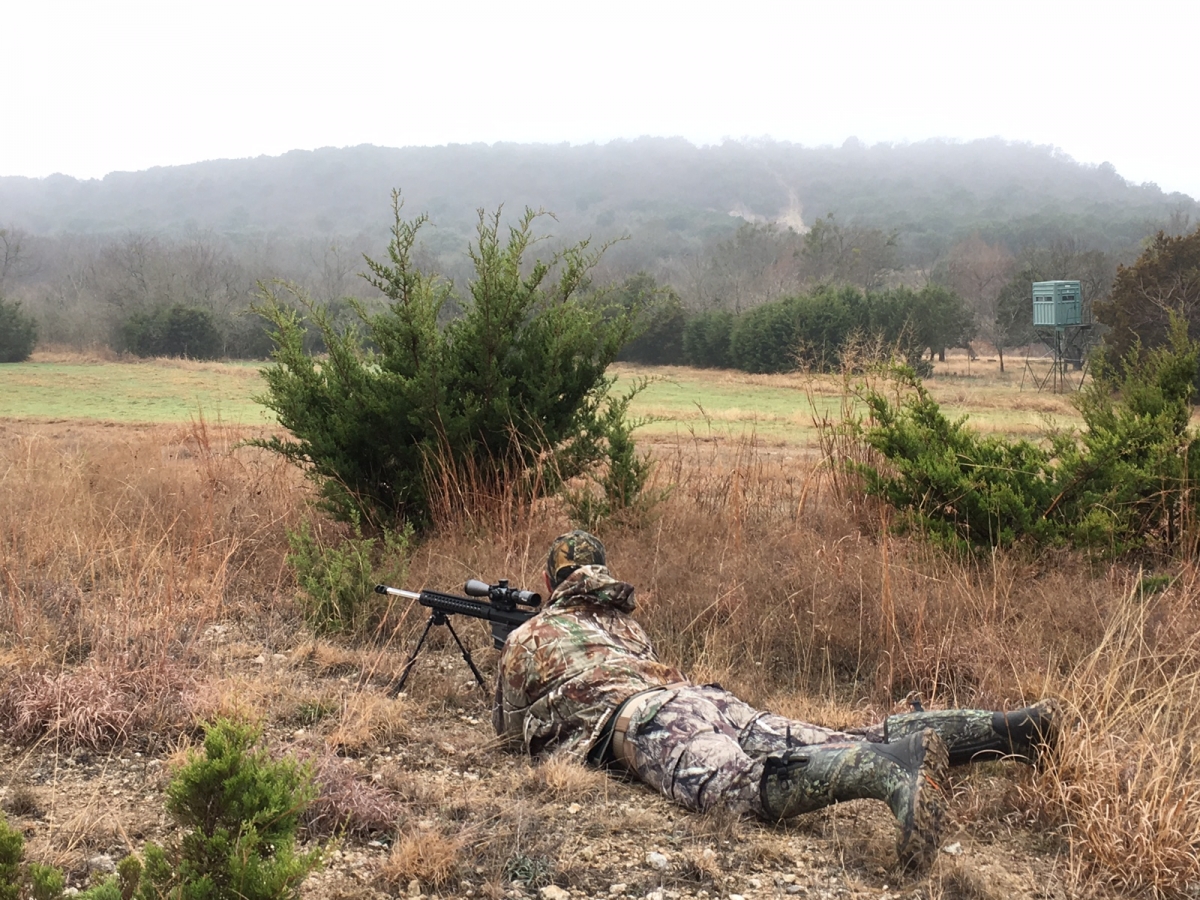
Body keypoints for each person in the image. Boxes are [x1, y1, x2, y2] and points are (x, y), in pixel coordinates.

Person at [493, 531, 1059, 871]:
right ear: (600, 576)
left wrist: (516, 640)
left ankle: (896, 770)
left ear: (551, 578)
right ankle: (1005, 731)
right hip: (703, 700)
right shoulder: (626, 628)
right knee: (838, 738)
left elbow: (508, 729)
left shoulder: (528, 638)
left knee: (735, 784)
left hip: (648, 722)